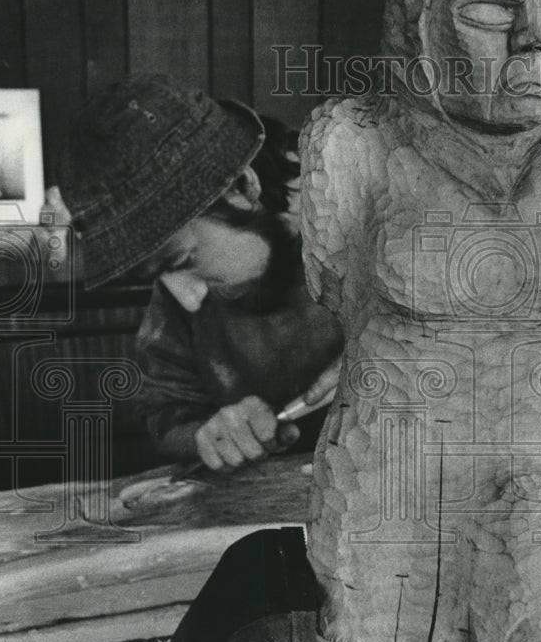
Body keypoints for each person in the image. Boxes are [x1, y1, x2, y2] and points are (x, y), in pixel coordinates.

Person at [55, 74, 344, 471]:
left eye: (185, 260)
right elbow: (165, 414)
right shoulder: (177, 288)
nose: (188, 294)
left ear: (242, 187)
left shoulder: (377, 219)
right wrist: (208, 434)